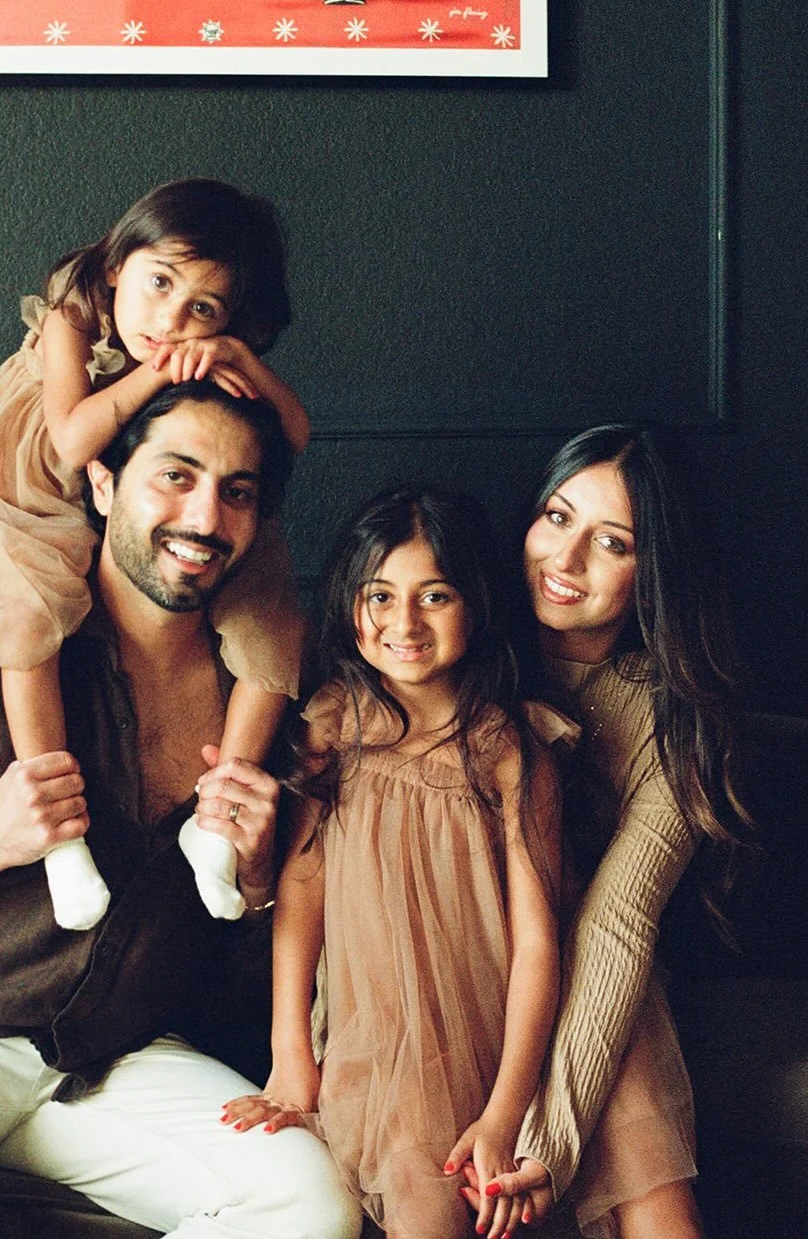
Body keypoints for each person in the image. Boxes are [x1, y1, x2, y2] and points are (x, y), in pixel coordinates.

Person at [0, 381, 360, 1239]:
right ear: (105, 484)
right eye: (174, 476)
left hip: (113, 1059)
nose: (203, 516)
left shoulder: (266, 704)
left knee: (310, 1203)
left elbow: (234, 989)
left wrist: (261, 884)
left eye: (236, 491)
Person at [0, 178, 310, 928]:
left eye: (202, 309)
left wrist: (234, 356)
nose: (170, 320)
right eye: (159, 283)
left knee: (273, 616)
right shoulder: (74, 322)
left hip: (110, 489)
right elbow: (72, 442)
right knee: (30, 620)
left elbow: (294, 436)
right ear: (116, 266)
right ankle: (60, 841)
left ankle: (217, 822)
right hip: (28, 491)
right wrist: (160, 372)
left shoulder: (202, 355)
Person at [223, 486, 572, 1239]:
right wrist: (290, 1059)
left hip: (484, 1039)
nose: (402, 623)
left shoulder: (507, 748)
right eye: (378, 595)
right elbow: (302, 893)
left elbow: (538, 940)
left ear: (474, 605)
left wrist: (506, 1109)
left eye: (433, 596)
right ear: (349, 602)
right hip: (367, 1039)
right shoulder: (331, 724)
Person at [464, 424, 747, 1238]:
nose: (566, 558)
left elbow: (617, 925)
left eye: (611, 542)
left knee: (628, 1033)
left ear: (652, 571)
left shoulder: (673, 715)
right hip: (457, 944)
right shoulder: (447, 647)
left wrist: (549, 1143)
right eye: (555, 517)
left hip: (594, 963)